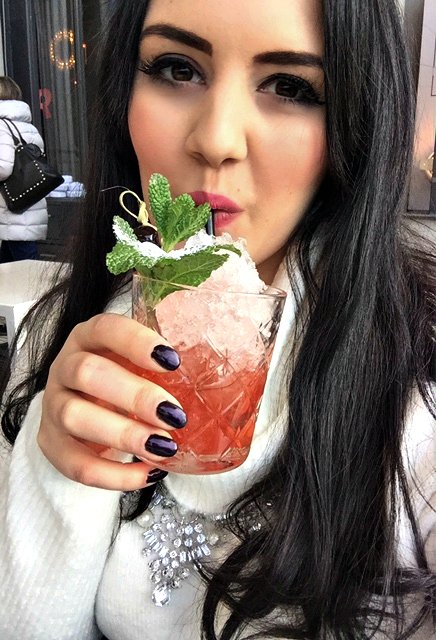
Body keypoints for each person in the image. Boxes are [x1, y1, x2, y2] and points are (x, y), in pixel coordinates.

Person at [0, 0, 434, 638]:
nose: (216, 139)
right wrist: (60, 474)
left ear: (356, 125)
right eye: (177, 68)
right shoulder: (57, 340)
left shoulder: (418, 402)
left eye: (289, 87)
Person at [0, 76, 48, 262]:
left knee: (27, 267)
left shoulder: (2, 125)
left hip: (13, 210)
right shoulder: (27, 125)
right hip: (28, 202)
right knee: (12, 264)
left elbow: (3, 167)